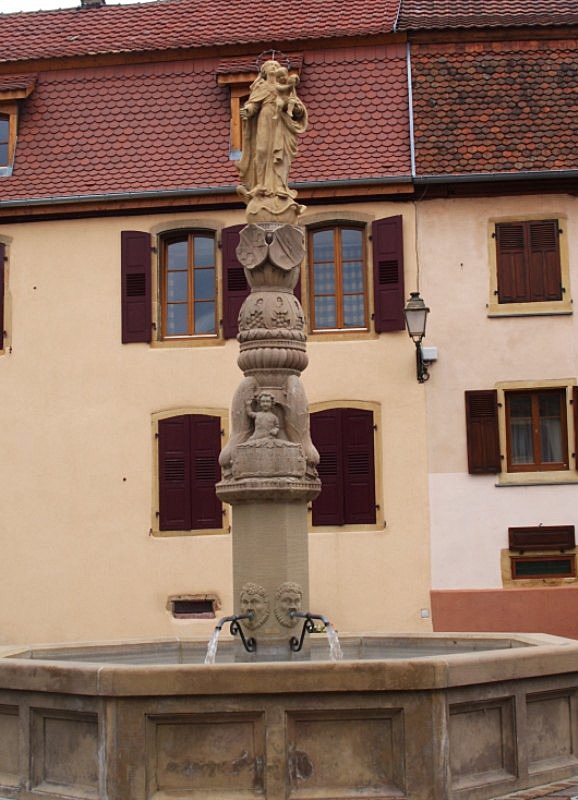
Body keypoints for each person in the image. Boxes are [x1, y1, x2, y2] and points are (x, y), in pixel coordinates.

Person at [237, 59, 308, 204]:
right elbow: (253, 105)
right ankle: (260, 185)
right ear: (264, 71)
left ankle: (280, 186)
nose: (274, 67)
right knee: (261, 151)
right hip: (265, 118)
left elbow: (298, 110)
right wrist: (248, 110)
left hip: (281, 122)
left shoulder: (285, 86)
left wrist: (288, 105)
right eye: (271, 65)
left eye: (276, 66)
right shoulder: (260, 87)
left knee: (281, 154)